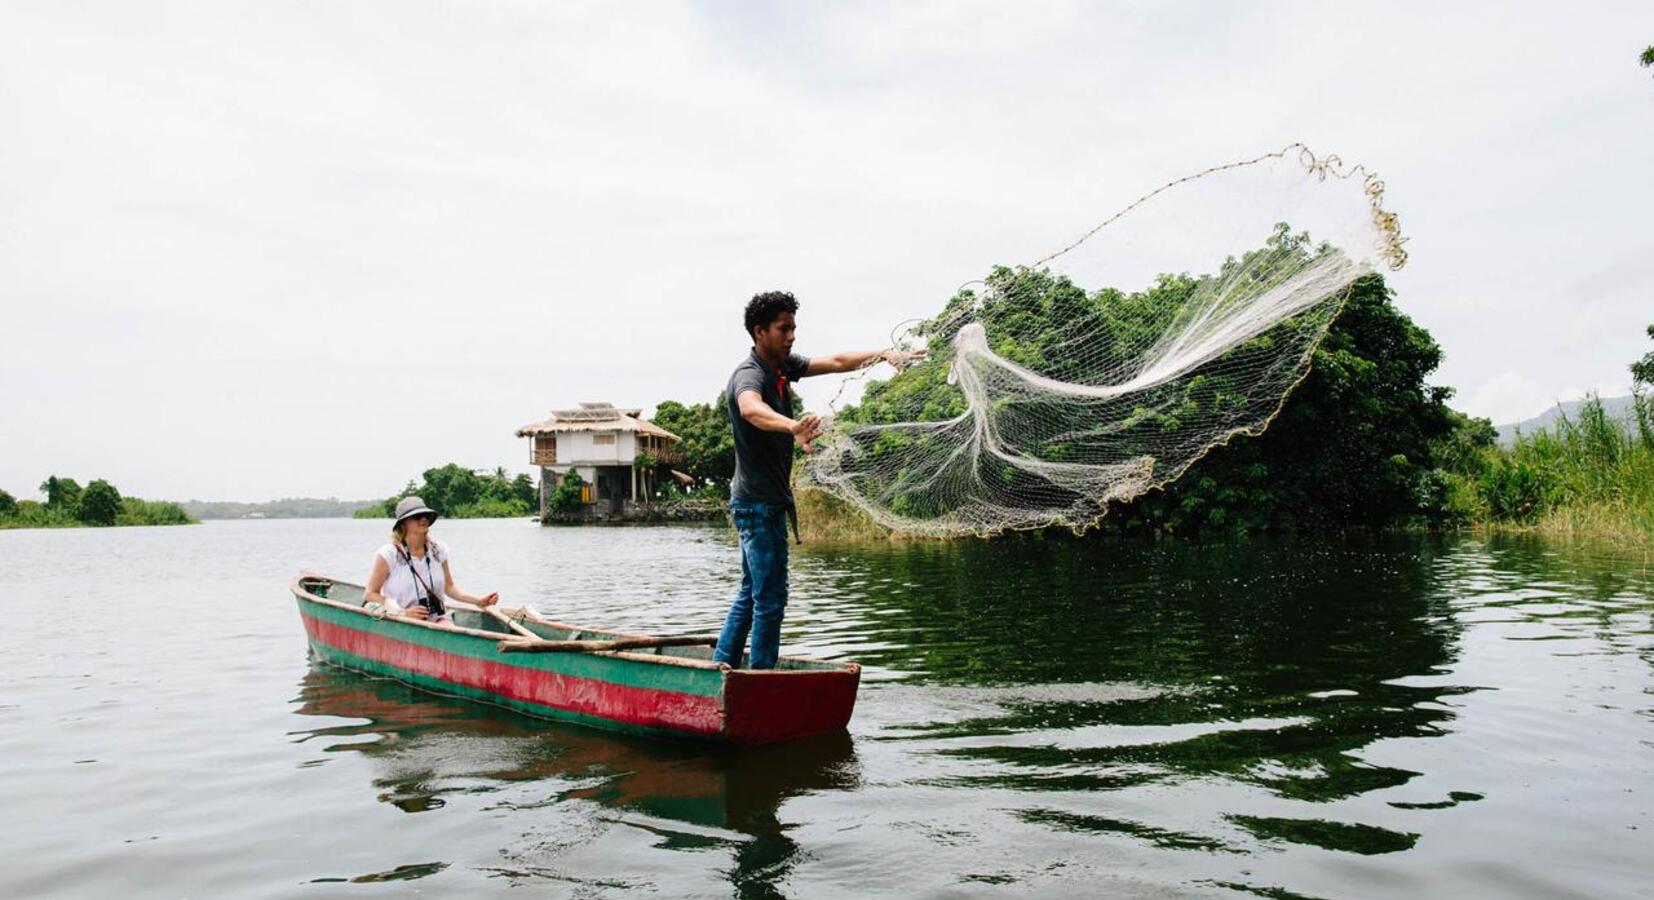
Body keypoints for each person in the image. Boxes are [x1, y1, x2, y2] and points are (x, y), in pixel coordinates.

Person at [713, 291, 926, 669]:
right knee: (770, 599)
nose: (792, 336)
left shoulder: (781, 365)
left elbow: (836, 361)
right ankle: (760, 682)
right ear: (760, 332)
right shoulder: (750, 374)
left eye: (794, 328)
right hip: (757, 504)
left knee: (752, 593)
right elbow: (750, 409)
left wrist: (884, 355)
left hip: (761, 501)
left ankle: (720, 669)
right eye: (784, 329)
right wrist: (792, 425)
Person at [365, 496, 499, 623]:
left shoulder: (438, 550)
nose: (423, 519)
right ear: (403, 523)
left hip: (437, 618)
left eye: (426, 515)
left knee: (446, 628)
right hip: (401, 621)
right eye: (417, 516)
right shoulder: (389, 554)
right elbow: (370, 594)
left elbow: (450, 587)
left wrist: (478, 601)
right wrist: (403, 613)